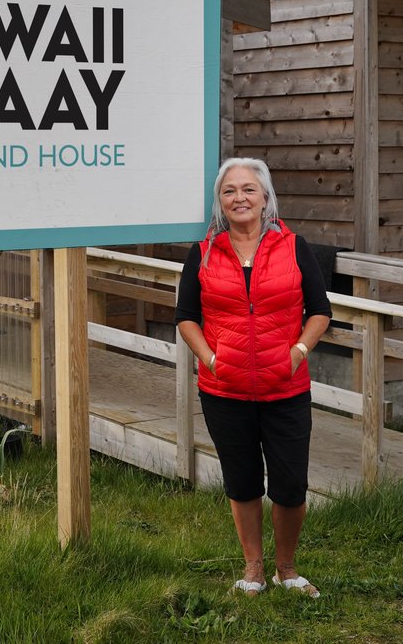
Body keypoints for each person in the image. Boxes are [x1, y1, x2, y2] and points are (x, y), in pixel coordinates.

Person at [174, 157, 331, 598]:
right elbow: (187, 317)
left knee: (290, 483)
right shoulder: (203, 253)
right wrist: (210, 359)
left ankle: (287, 569)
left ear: (265, 198)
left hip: (286, 387)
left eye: (248, 189)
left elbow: (320, 311)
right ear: (220, 204)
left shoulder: (295, 247)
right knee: (242, 481)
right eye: (229, 191)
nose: (239, 198)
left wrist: (298, 352)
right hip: (225, 391)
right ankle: (253, 569)